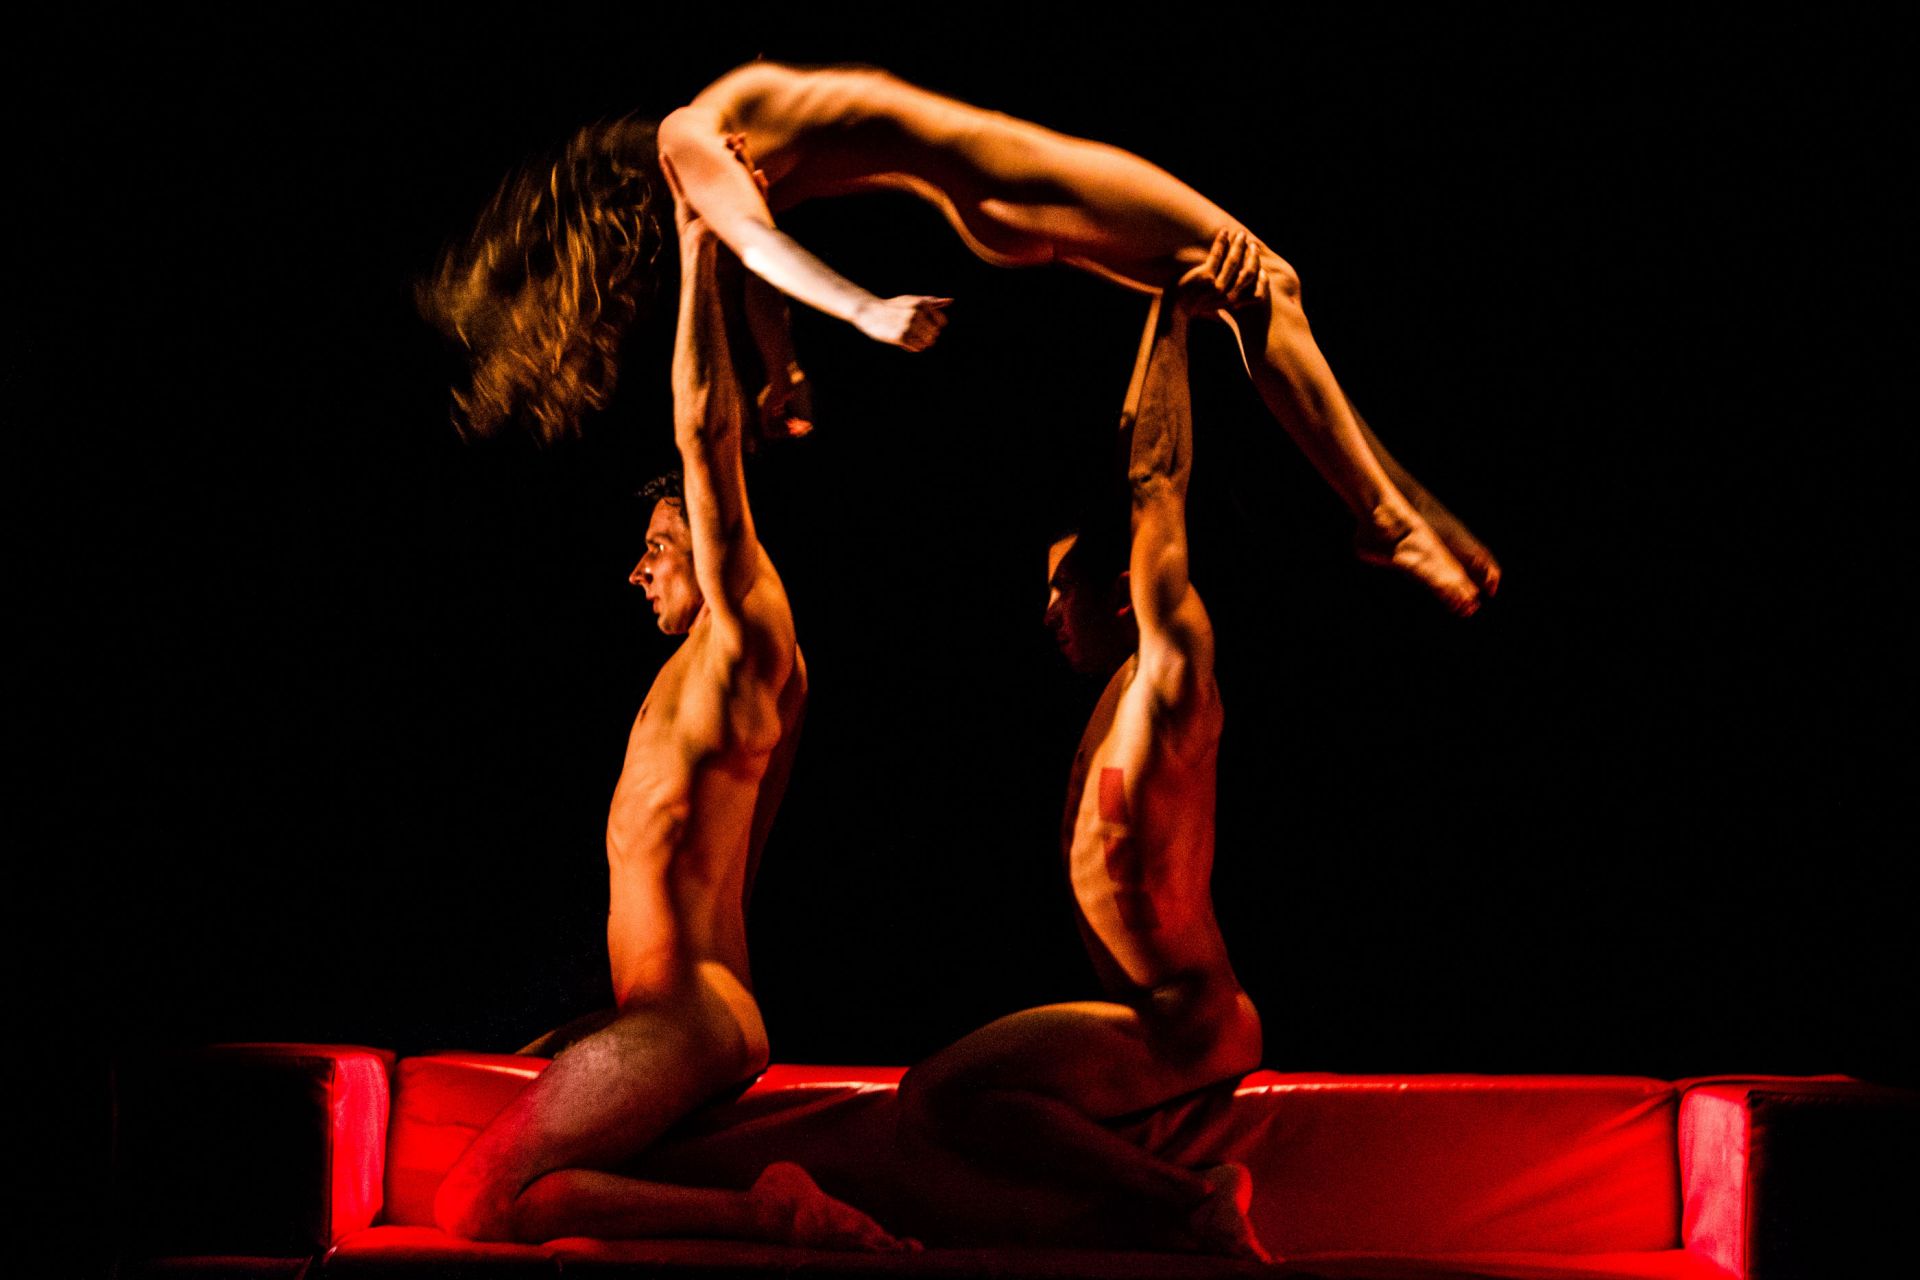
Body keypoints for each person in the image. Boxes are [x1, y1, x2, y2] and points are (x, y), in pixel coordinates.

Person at [424, 61, 1498, 614]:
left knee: (1248, 295)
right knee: (1269, 282)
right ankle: (1386, 513)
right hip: (1001, 173)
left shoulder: (700, 150)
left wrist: (783, 365)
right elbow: (755, 242)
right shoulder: (685, 133)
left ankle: (1398, 507)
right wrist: (865, 311)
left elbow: (747, 249)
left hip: (991, 199)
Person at [430, 202, 909, 1251]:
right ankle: (754, 1206)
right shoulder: (708, 686)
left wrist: (699, 251)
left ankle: (772, 1214)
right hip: (676, 1011)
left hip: (686, 1015)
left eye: (660, 544)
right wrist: (595, 1036)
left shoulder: (748, 632)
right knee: (535, 1195)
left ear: (717, 545)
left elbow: (707, 432)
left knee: (473, 1203)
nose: (639, 569)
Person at [897, 249, 1270, 1261]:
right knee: (943, 1099)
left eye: (1062, 587)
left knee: (937, 1096)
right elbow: (1126, 462)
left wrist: (1175, 308)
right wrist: (1160, 310)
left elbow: (1152, 481)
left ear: (1124, 591)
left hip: (1186, 1017)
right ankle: (1165, 1205)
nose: (1047, 611)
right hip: (1149, 1011)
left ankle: (1189, 1198)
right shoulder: (1115, 694)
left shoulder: (1170, 675)